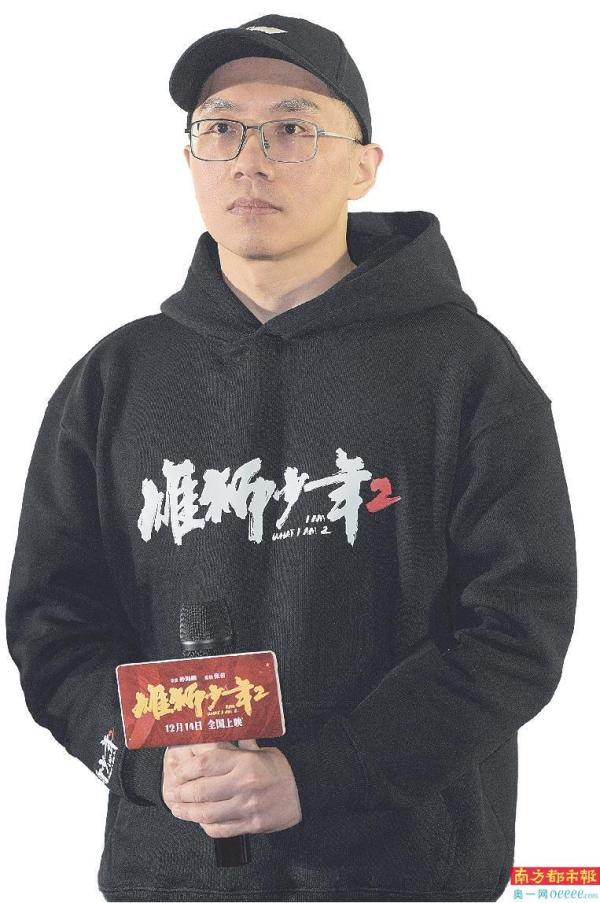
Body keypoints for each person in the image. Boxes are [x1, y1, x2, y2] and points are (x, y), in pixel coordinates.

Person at [5, 12, 577, 903]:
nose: (250, 159)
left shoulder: (467, 372)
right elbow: (54, 623)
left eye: (291, 128)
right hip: (166, 878)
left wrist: (321, 772)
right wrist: (149, 762)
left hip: (405, 874)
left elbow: (515, 630)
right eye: (221, 128)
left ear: (364, 166)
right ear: (190, 158)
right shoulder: (114, 380)